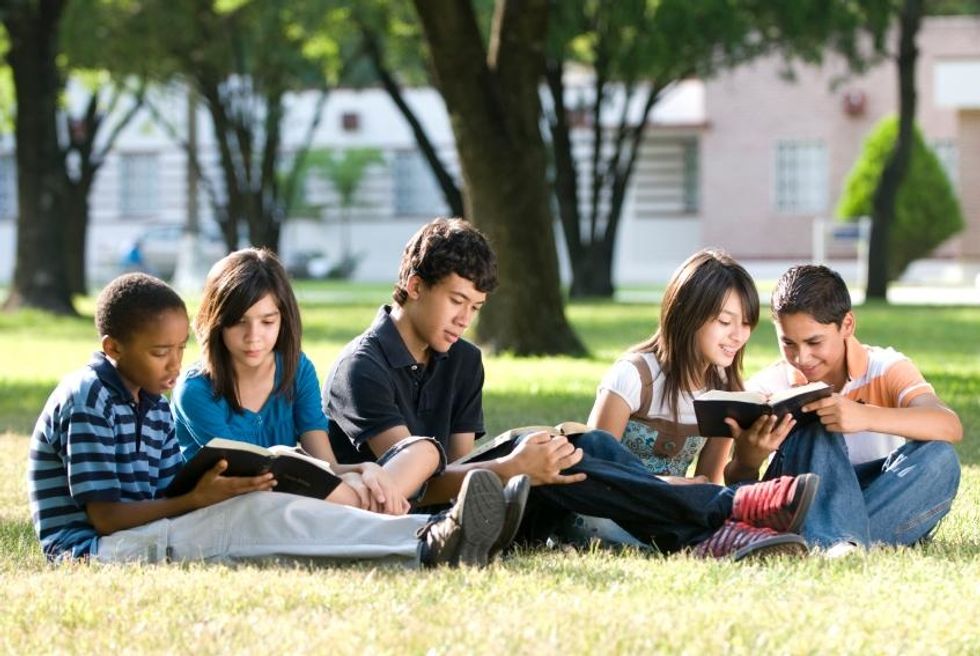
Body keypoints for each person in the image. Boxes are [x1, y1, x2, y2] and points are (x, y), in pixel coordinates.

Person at [324, 218, 820, 560]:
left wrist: (517, 467)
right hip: (418, 521)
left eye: (475, 307)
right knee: (565, 453)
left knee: (579, 445)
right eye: (456, 301)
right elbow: (414, 489)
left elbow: (458, 467)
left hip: (478, 505)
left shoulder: (464, 360)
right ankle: (727, 512)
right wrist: (515, 467)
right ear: (414, 286)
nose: (464, 319)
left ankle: (715, 525)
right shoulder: (363, 367)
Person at [27, 272, 513, 568]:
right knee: (261, 517)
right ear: (113, 348)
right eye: (160, 353)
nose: (175, 365)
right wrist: (198, 499)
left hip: (146, 526)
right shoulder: (90, 398)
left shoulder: (149, 396)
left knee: (268, 512)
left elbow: (159, 490)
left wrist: (197, 495)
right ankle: (428, 542)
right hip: (94, 550)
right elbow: (106, 518)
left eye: (178, 350)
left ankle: (436, 535)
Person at [172, 248, 443, 515]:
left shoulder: (297, 369)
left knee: (424, 450)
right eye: (239, 322)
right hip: (238, 508)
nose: (253, 336)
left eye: (267, 322)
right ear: (216, 322)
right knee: (327, 490)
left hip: (305, 496)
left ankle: (373, 512)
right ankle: (398, 522)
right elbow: (251, 481)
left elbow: (326, 465)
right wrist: (340, 482)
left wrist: (364, 469)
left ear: (283, 319)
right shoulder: (195, 390)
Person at [725, 264, 962, 553]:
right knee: (815, 420)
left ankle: (832, 541)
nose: (801, 357)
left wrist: (864, 416)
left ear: (847, 325)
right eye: (788, 343)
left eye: (814, 341)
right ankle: (840, 542)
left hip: (875, 495)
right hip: (799, 499)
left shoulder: (886, 367)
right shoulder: (766, 386)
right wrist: (749, 459)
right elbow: (737, 488)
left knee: (940, 456)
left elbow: (948, 425)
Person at [588, 249, 759, 483]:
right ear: (688, 315)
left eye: (747, 323)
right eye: (725, 322)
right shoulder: (634, 376)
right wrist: (670, 486)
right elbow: (593, 471)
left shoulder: (725, 391)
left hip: (671, 514)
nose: (739, 336)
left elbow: (708, 483)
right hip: (609, 507)